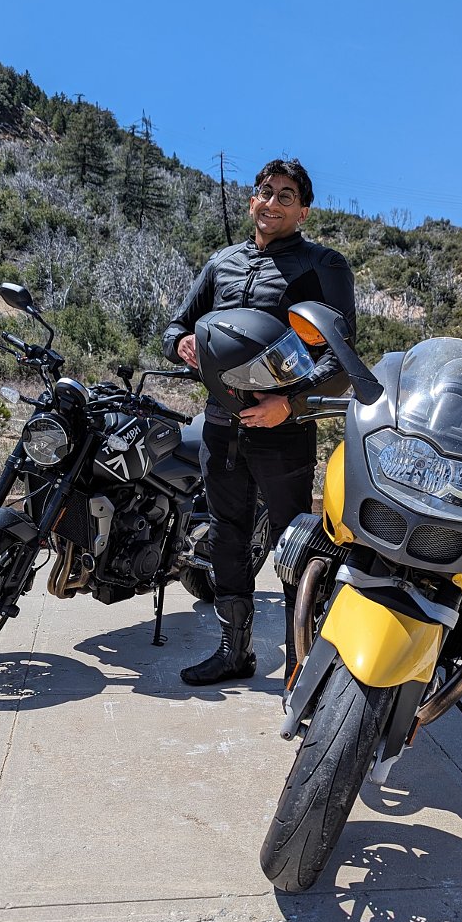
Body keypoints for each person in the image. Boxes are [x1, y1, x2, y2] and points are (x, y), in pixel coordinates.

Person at [162, 158, 356, 688]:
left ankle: (300, 661)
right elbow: (178, 323)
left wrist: (287, 406)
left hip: (284, 430)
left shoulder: (323, 266)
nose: (271, 202)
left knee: (296, 540)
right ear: (253, 199)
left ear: (304, 210)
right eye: (265, 191)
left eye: (285, 195)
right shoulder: (222, 263)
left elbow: (340, 361)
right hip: (222, 425)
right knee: (227, 534)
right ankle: (234, 651)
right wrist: (180, 342)